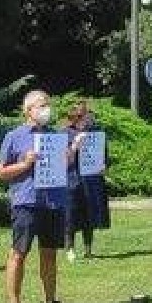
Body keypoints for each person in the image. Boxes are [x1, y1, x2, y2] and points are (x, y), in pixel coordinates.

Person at [0, 89, 66, 303]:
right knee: (19, 253)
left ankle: (50, 300)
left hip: (52, 201)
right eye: (42, 105)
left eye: (48, 105)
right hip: (26, 201)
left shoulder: (55, 136)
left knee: (50, 253)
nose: (47, 110)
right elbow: (1, 172)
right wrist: (25, 164)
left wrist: (68, 157)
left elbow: (63, 168)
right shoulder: (14, 136)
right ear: (28, 110)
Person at [62, 102, 110, 261]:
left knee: (89, 215)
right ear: (78, 117)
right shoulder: (65, 133)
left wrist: (103, 166)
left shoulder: (96, 133)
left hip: (91, 180)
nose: (91, 118)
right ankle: (70, 248)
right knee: (71, 215)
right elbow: (61, 160)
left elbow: (104, 156)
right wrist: (75, 145)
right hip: (71, 180)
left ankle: (88, 249)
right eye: (88, 115)